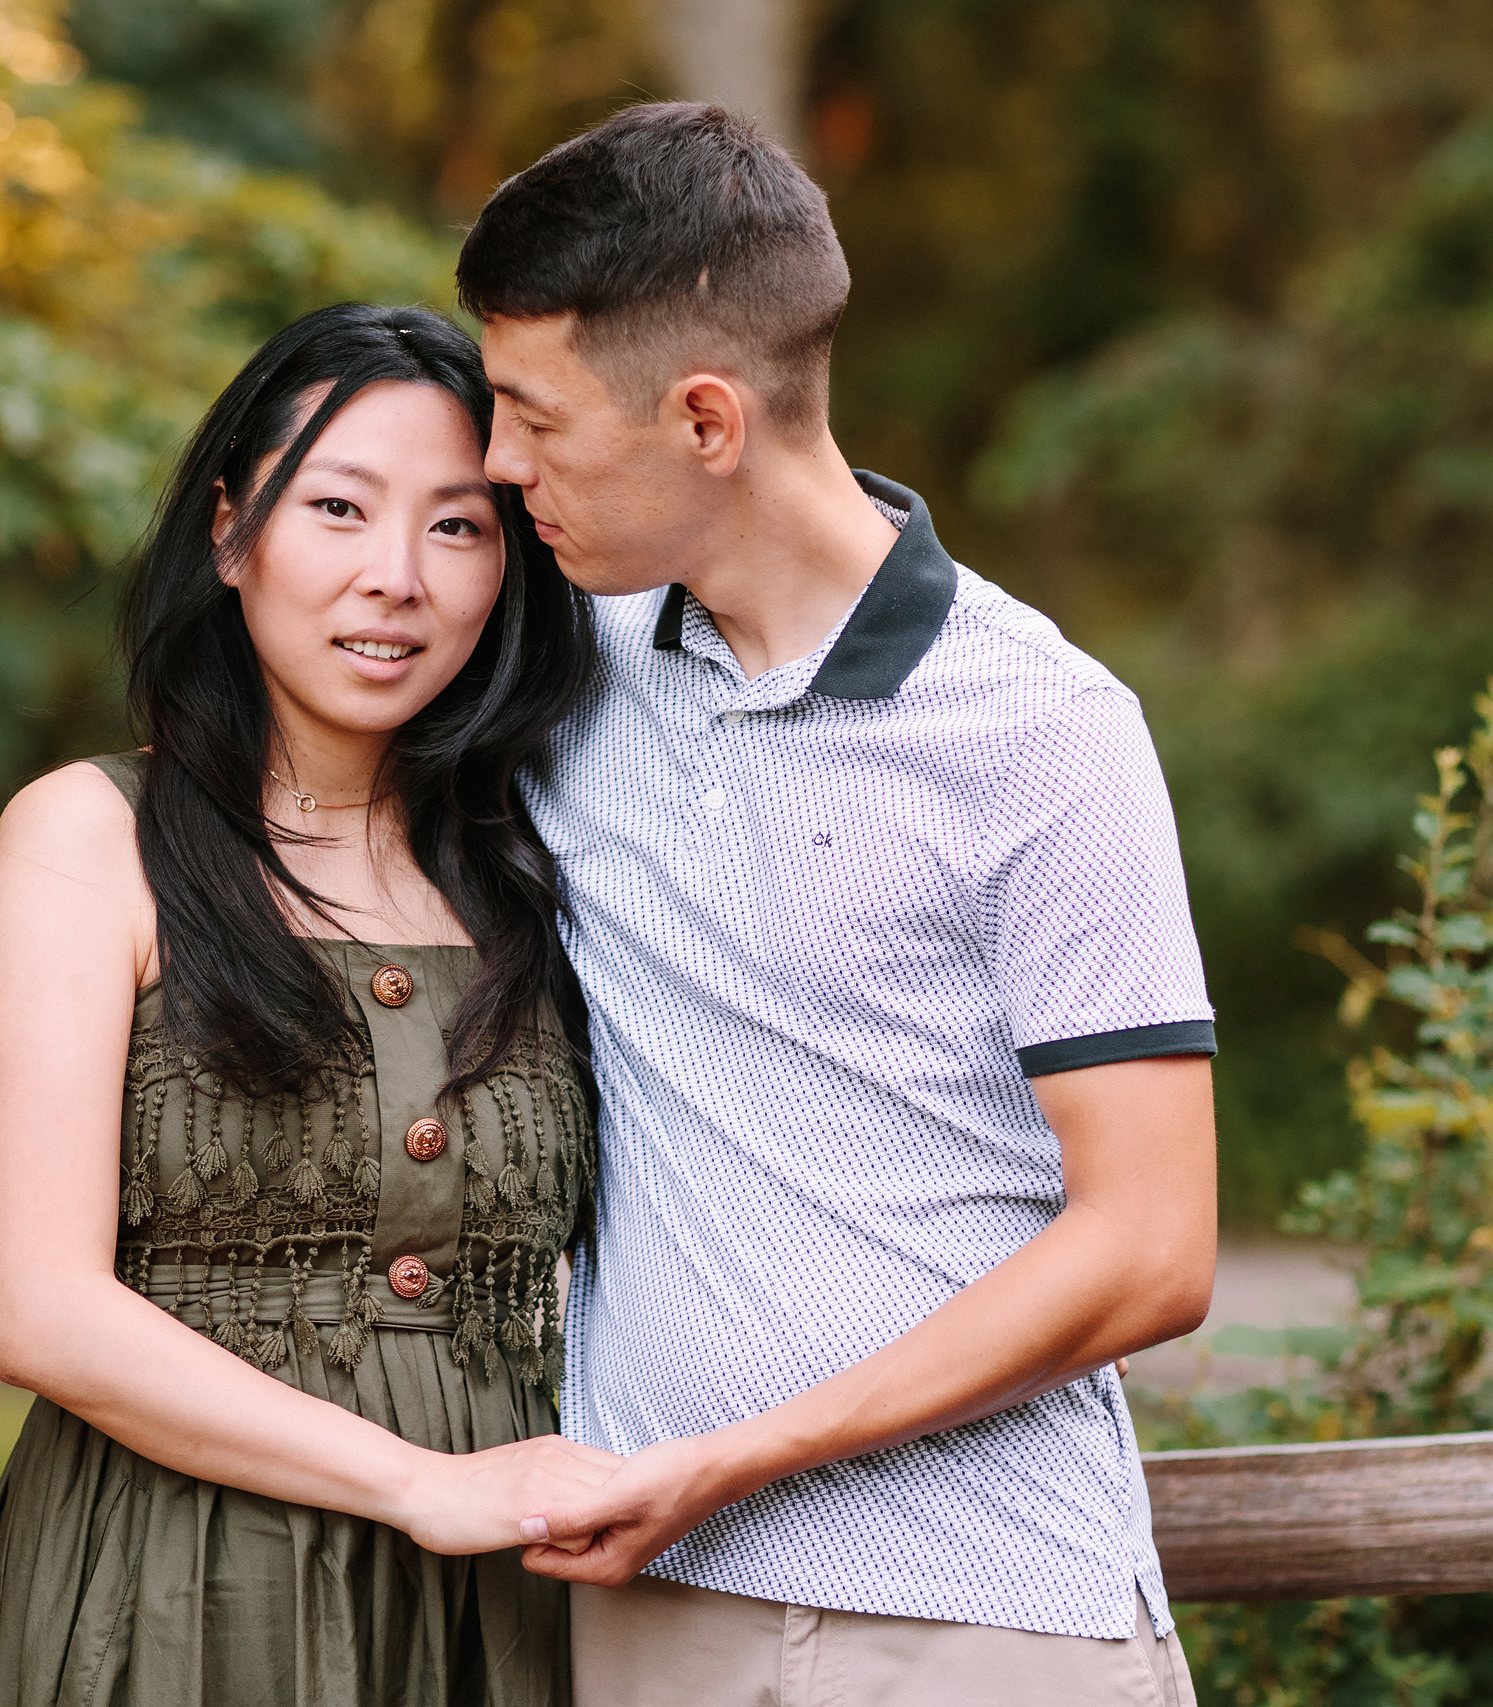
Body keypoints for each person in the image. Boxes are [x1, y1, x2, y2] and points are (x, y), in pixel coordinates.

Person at [458, 104, 1219, 1706]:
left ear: (708, 421)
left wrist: (733, 1457)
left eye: (533, 416)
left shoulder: (1040, 730)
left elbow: (1151, 1248)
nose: (496, 461)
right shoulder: (568, 663)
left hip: (984, 1622)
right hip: (655, 1609)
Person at [0, 302, 610, 1707]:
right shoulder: (87, 838)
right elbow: (42, 1314)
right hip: (180, 1596)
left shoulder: (542, 868)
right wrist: (417, 1484)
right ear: (233, 533)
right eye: (340, 508)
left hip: (494, 1616)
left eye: (457, 526)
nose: (396, 579)